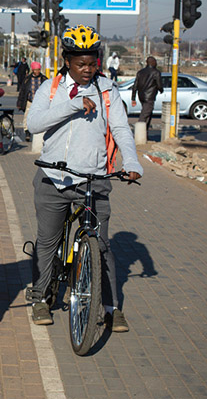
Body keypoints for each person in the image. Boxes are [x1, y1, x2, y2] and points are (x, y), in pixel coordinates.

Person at [26, 25, 143, 331]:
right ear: (67, 61)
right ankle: (41, 297)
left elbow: (120, 129)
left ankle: (111, 306)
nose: (88, 70)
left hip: (93, 179)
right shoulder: (50, 88)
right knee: (48, 243)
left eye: (93, 63)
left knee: (101, 245)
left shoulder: (107, 90)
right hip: (53, 178)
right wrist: (72, 105)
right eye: (81, 64)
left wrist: (131, 161)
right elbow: (34, 124)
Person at [16, 62, 47, 141]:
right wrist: (19, 103)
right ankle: (27, 132)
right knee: (27, 117)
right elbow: (22, 91)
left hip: (41, 102)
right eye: (35, 70)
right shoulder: (27, 79)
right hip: (30, 101)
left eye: (38, 70)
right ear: (33, 70)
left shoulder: (44, 79)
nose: (37, 72)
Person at [131, 56, 163, 129]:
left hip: (141, 96)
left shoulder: (140, 72)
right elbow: (159, 85)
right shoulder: (156, 72)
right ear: (153, 63)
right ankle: (139, 132)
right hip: (149, 97)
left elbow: (135, 86)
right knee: (144, 115)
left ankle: (145, 133)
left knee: (148, 114)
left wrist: (133, 98)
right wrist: (161, 90)